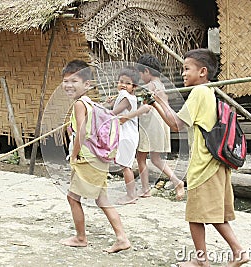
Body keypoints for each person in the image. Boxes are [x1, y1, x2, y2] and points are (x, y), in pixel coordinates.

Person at [148, 49, 249, 267]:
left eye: (186, 69)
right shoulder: (208, 93)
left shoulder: (199, 93)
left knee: (196, 215)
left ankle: (208, 258)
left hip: (204, 165)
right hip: (216, 164)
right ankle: (232, 253)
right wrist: (157, 103)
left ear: (202, 72)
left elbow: (176, 124)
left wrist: (161, 100)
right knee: (212, 213)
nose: (182, 74)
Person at [59, 59, 131, 253]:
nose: (68, 85)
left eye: (74, 81)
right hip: (96, 158)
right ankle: (121, 238)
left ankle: (81, 237)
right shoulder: (90, 103)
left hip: (87, 159)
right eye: (66, 81)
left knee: (73, 198)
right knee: (101, 200)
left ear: (87, 84)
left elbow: (82, 132)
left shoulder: (80, 104)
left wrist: (73, 155)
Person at [136, 54, 185, 200]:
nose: (140, 78)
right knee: (156, 158)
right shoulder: (161, 85)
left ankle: (145, 189)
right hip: (162, 122)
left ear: (146, 71)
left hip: (151, 124)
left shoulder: (148, 87)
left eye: (140, 74)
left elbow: (146, 107)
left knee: (141, 157)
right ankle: (177, 181)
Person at [108, 66, 144, 205]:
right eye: (121, 81)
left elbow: (114, 113)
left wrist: (98, 112)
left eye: (127, 83)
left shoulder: (125, 97)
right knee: (125, 164)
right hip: (129, 135)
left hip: (126, 136)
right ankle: (131, 194)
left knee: (125, 166)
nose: (123, 85)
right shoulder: (129, 96)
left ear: (134, 86)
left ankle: (131, 195)